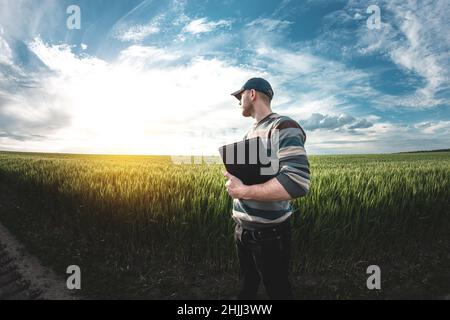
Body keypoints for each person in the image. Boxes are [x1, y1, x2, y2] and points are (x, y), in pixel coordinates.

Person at [224, 77, 311, 300]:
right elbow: (256, 178)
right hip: (242, 230)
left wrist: (242, 191)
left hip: (269, 235)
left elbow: (297, 182)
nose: (238, 101)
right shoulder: (248, 135)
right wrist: (234, 180)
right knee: (246, 288)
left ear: (252, 94)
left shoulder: (283, 126)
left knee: (278, 290)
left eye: (240, 95)